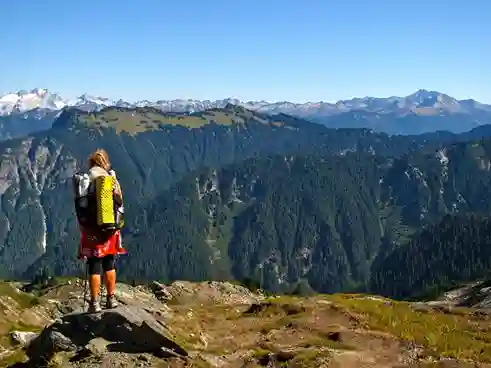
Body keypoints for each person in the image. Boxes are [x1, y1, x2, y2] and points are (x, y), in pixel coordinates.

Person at [78, 148, 127, 313]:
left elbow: (81, 206)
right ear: (105, 162)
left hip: (92, 229)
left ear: (91, 162)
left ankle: (94, 303)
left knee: (94, 265)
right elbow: (120, 203)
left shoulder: (87, 178)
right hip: (110, 229)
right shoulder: (111, 179)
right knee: (109, 263)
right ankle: (111, 299)